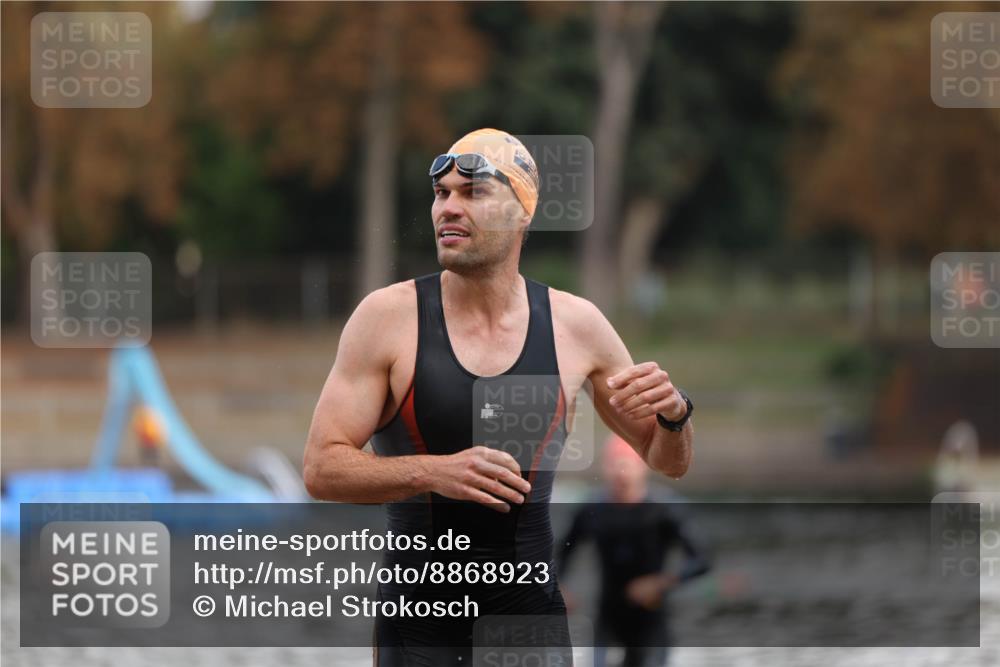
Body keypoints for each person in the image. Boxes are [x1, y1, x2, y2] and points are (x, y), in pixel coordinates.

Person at [302, 128, 695, 666]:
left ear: (522, 212)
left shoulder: (575, 325)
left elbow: (667, 461)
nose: (449, 207)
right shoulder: (387, 318)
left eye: (473, 192)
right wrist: (436, 473)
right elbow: (321, 469)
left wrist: (675, 415)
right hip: (420, 630)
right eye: (442, 193)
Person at [557, 435, 711, 667]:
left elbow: (702, 560)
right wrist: (560, 588)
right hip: (608, 615)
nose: (621, 473)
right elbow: (563, 551)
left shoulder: (664, 508)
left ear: (643, 467)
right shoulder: (593, 508)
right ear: (605, 468)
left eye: (627, 464)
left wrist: (660, 583)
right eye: (614, 464)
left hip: (651, 619)